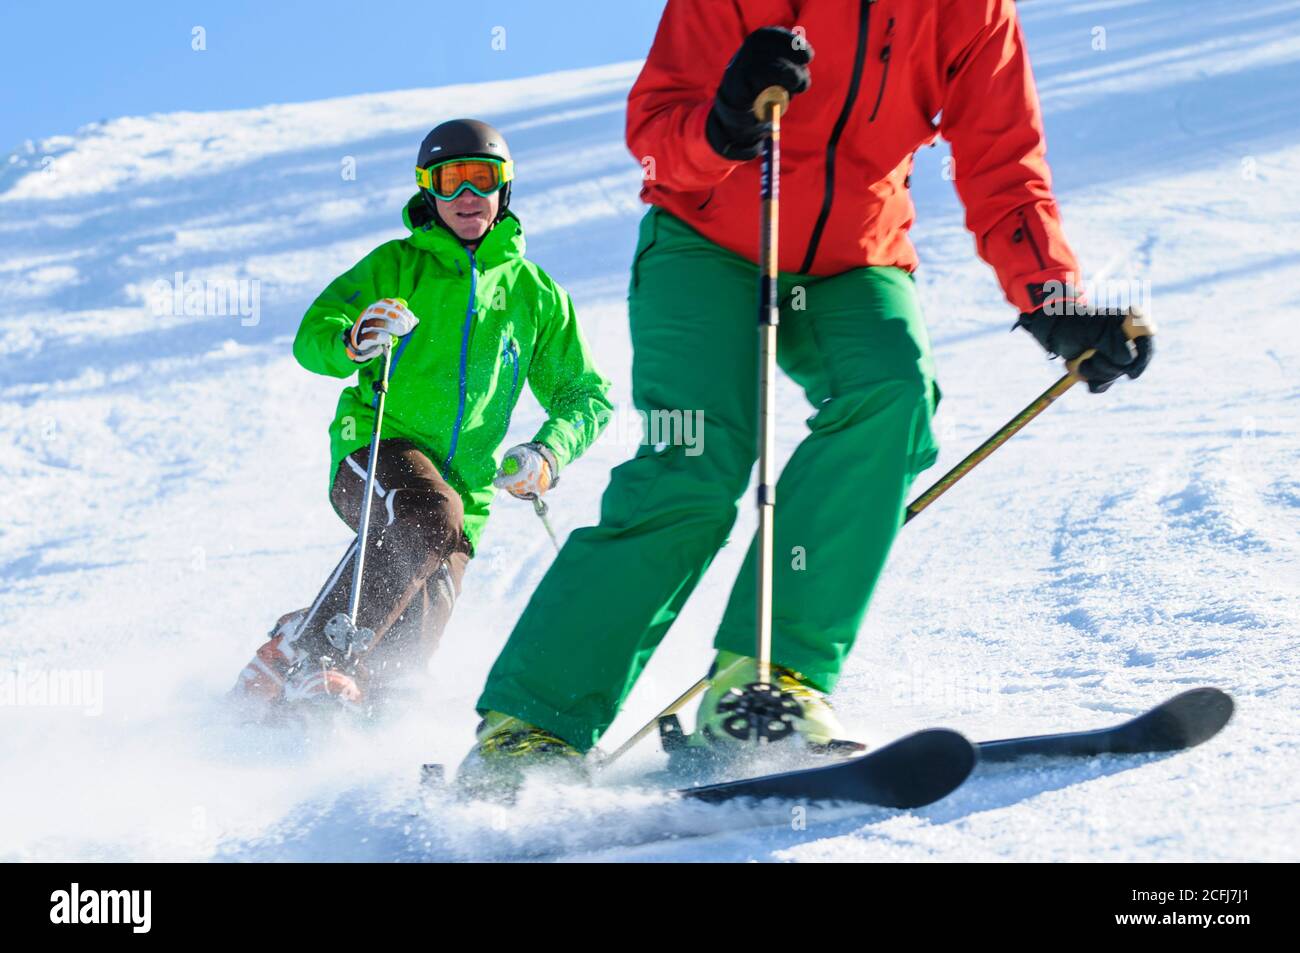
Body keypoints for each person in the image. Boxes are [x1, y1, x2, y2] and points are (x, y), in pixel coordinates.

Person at [459, 0, 1153, 784]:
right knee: (696, 459)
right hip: (707, 242)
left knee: (893, 398)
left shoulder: (973, 11)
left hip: (854, 259)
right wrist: (720, 126)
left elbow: (1003, 160)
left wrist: (1051, 298)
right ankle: (529, 725)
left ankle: (768, 682)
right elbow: (656, 132)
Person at [230, 119, 612, 720]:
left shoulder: (535, 294)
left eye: (480, 180)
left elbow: (585, 395)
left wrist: (548, 452)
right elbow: (313, 335)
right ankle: (306, 654)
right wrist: (354, 340)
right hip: (377, 449)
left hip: (464, 494)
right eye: (449, 181)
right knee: (428, 511)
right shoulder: (397, 265)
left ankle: (306, 738)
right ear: (427, 190)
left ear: (503, 189)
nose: (466, 197)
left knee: (400, 670)